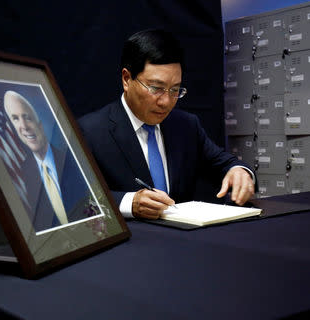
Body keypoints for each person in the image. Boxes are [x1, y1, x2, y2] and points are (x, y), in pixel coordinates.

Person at [78, 29, 255, 220]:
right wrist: (129, 202)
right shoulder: (90, 131)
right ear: (127, 79)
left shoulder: (186, 126)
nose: (166, 101)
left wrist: (240, 172)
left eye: (175, 90)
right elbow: (75, 200)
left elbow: (225, 163)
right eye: (156, 88)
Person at [4, 90, 93, 231]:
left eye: (27, 117)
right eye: (15, 119)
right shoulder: (19, 176)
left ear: (40, 124)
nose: (24, 127)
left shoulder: (74, 160)